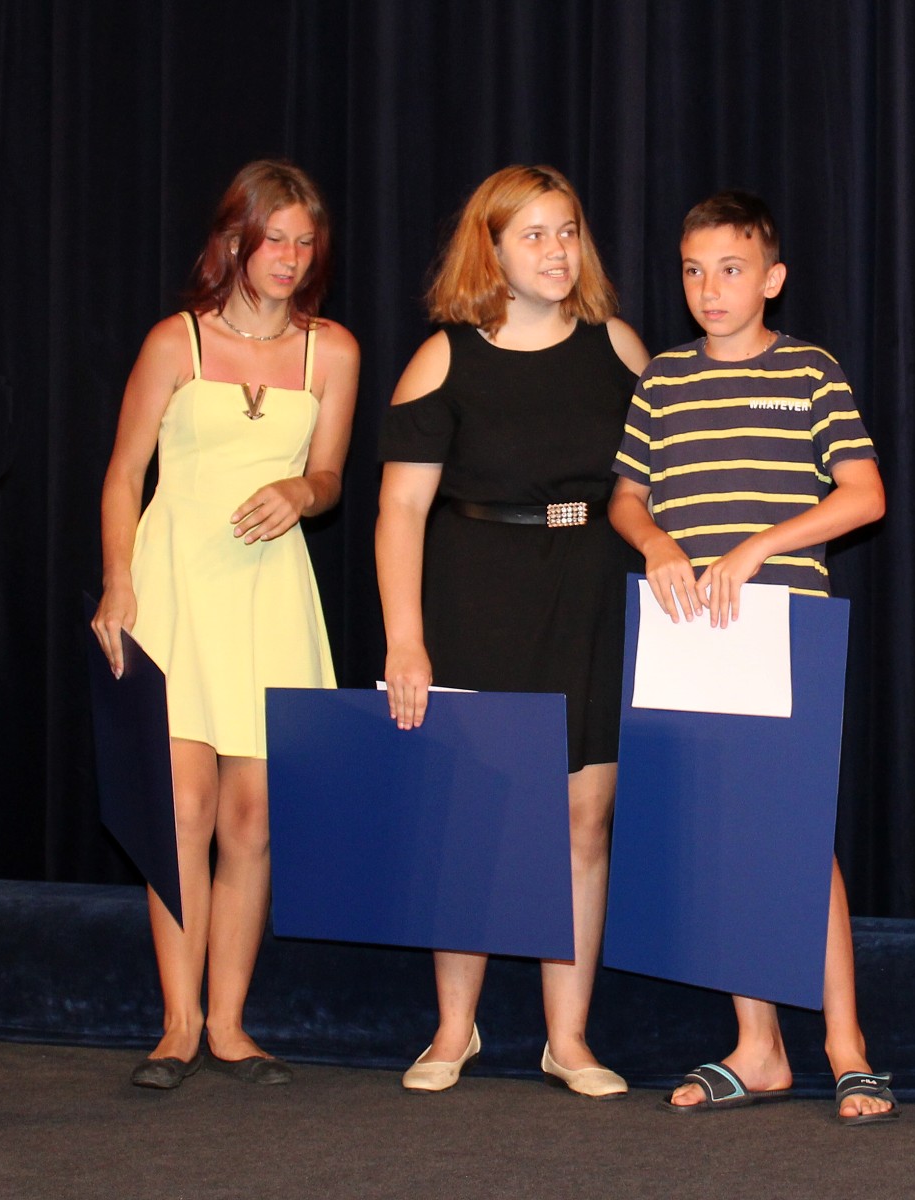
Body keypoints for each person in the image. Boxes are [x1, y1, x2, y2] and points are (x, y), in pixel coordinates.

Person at [608, 190, 895, 1125]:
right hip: (689, 633)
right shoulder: (662, 380)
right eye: (694, 271)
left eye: (730, 270)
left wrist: (759, 546)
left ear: (771, 279)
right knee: (719, 836)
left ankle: (846, 1046)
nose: (710, 289)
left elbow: (864, 495)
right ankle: (758, 1045)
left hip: (781, 629)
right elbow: (625, 497)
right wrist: (655, 542)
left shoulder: (810, 371)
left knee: (797, 836)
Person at [374, 165, 649, 1096]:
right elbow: (399, 512)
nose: (557, 251)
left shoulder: (618, 346)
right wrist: (405, 639)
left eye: (567, 231)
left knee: (584, 821)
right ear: (488, 249)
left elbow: (658, 483)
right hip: (476, 596)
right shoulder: (442, 358)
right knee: (472, 821)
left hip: (594, 593)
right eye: (533, 234)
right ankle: (454, 1030)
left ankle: (568, 1039)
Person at [91, 160, 360, 1088]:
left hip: (270, 594)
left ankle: (232, 1025)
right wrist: (117, 585)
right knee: (183, 810)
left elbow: (329, 479)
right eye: (273, 237)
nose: (289, 257)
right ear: (235, 238)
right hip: (174, 589)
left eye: (304, 242)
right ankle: (178, 1025)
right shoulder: (178, 341)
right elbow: (124, 474)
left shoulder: (334, 352)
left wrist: (301, 491)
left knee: (253, 818)